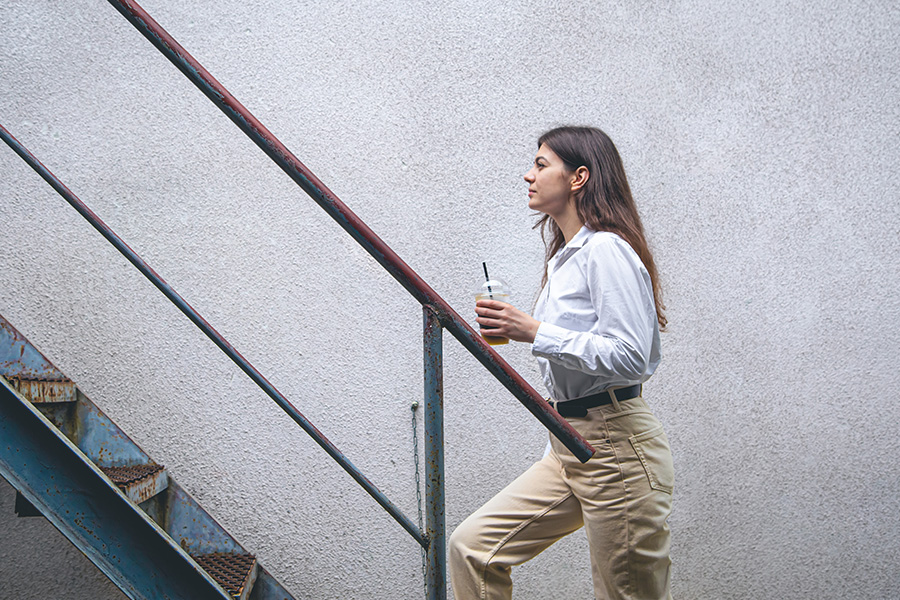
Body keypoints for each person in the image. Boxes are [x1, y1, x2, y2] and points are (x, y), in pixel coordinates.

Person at [448, 126, 674, 600]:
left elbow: (634, 355)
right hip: (570, 444)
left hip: (615, 444)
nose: (527, 175)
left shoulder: (606, 250)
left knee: (626, 595)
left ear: (579, 178)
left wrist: (532, 331)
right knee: (473, 549)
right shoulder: (565, 259)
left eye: (541, 164)